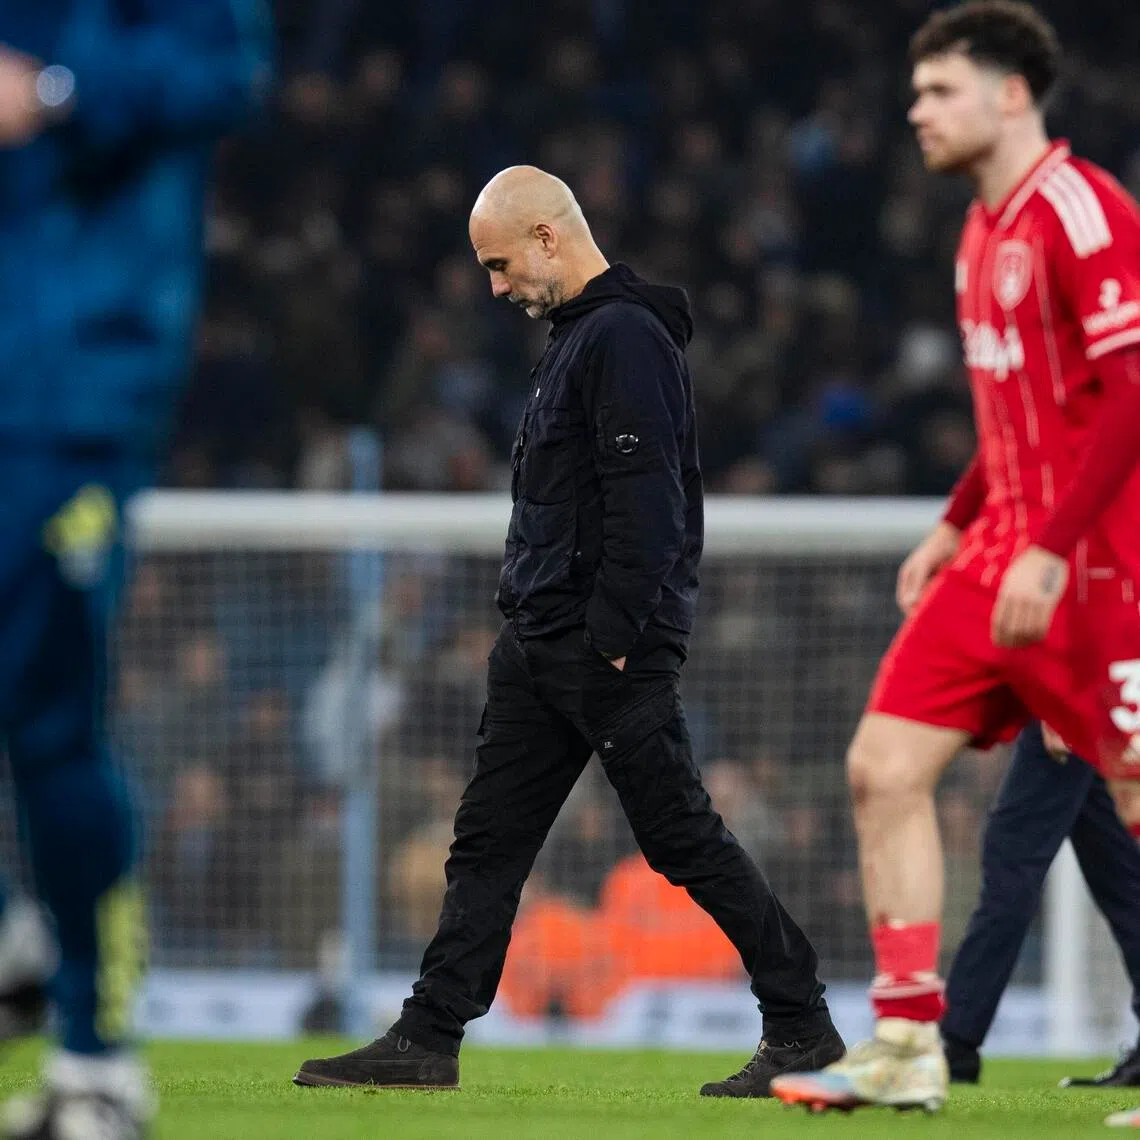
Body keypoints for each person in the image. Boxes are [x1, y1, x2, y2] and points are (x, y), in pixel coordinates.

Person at [294, 165, 845, 1095]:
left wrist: (615, 635)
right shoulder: (587, 337)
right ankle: (429, 1037)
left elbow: (649, 504)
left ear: (549, 237)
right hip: (544, 639)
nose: (498, 288)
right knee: (488, 840)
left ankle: (802, 1023)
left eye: (502, 264)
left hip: (595, 646)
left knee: (680, 839)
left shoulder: (622, 337)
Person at [770, 0, 1140, 1115]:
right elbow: (1021, 415)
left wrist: (1057, 552)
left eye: (939, 91)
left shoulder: (1082, 212)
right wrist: (955, 520)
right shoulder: (982, 231)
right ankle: (907, 1043)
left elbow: (1127, 397)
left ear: (1011, 94)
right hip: (999, 556)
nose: (916, 111)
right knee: (882, 766)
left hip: (1097, 565)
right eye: (917, 92)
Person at [0, 6, 269, 1139]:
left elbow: (230, 71)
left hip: (68, 392)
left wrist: (58, 90)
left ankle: (96, 1055)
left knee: (51, 715)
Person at [941, 721, 1140, 1088]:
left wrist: (1055, 711)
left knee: (1011, 860)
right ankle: (956, 1039)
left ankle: (954, 1042)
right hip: (1093, 707)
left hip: (1069, 707)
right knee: (1124, 880)